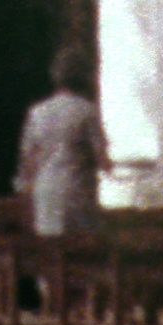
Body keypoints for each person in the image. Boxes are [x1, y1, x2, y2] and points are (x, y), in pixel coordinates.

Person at [16, 46, 108, 236]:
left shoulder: (38, 112)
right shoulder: (87, 111)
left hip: (46, 193)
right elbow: (101, 158)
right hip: (77, 192)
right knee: (80, 247)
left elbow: (28, 159)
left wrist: (25, 190)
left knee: (50, 248)